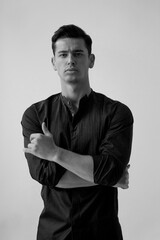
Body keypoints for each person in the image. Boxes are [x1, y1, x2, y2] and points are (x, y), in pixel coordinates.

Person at [21, 24, 133, 240]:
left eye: (78, 53)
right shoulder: (35, 115)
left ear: (91, 60)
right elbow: (45, 175)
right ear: (54, 63)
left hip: (103, 233)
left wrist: (55, 154)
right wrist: (108, 177)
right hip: (53, 232)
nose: (70, 60)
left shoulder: (117, 113)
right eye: (63, 54)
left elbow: (110, 169)